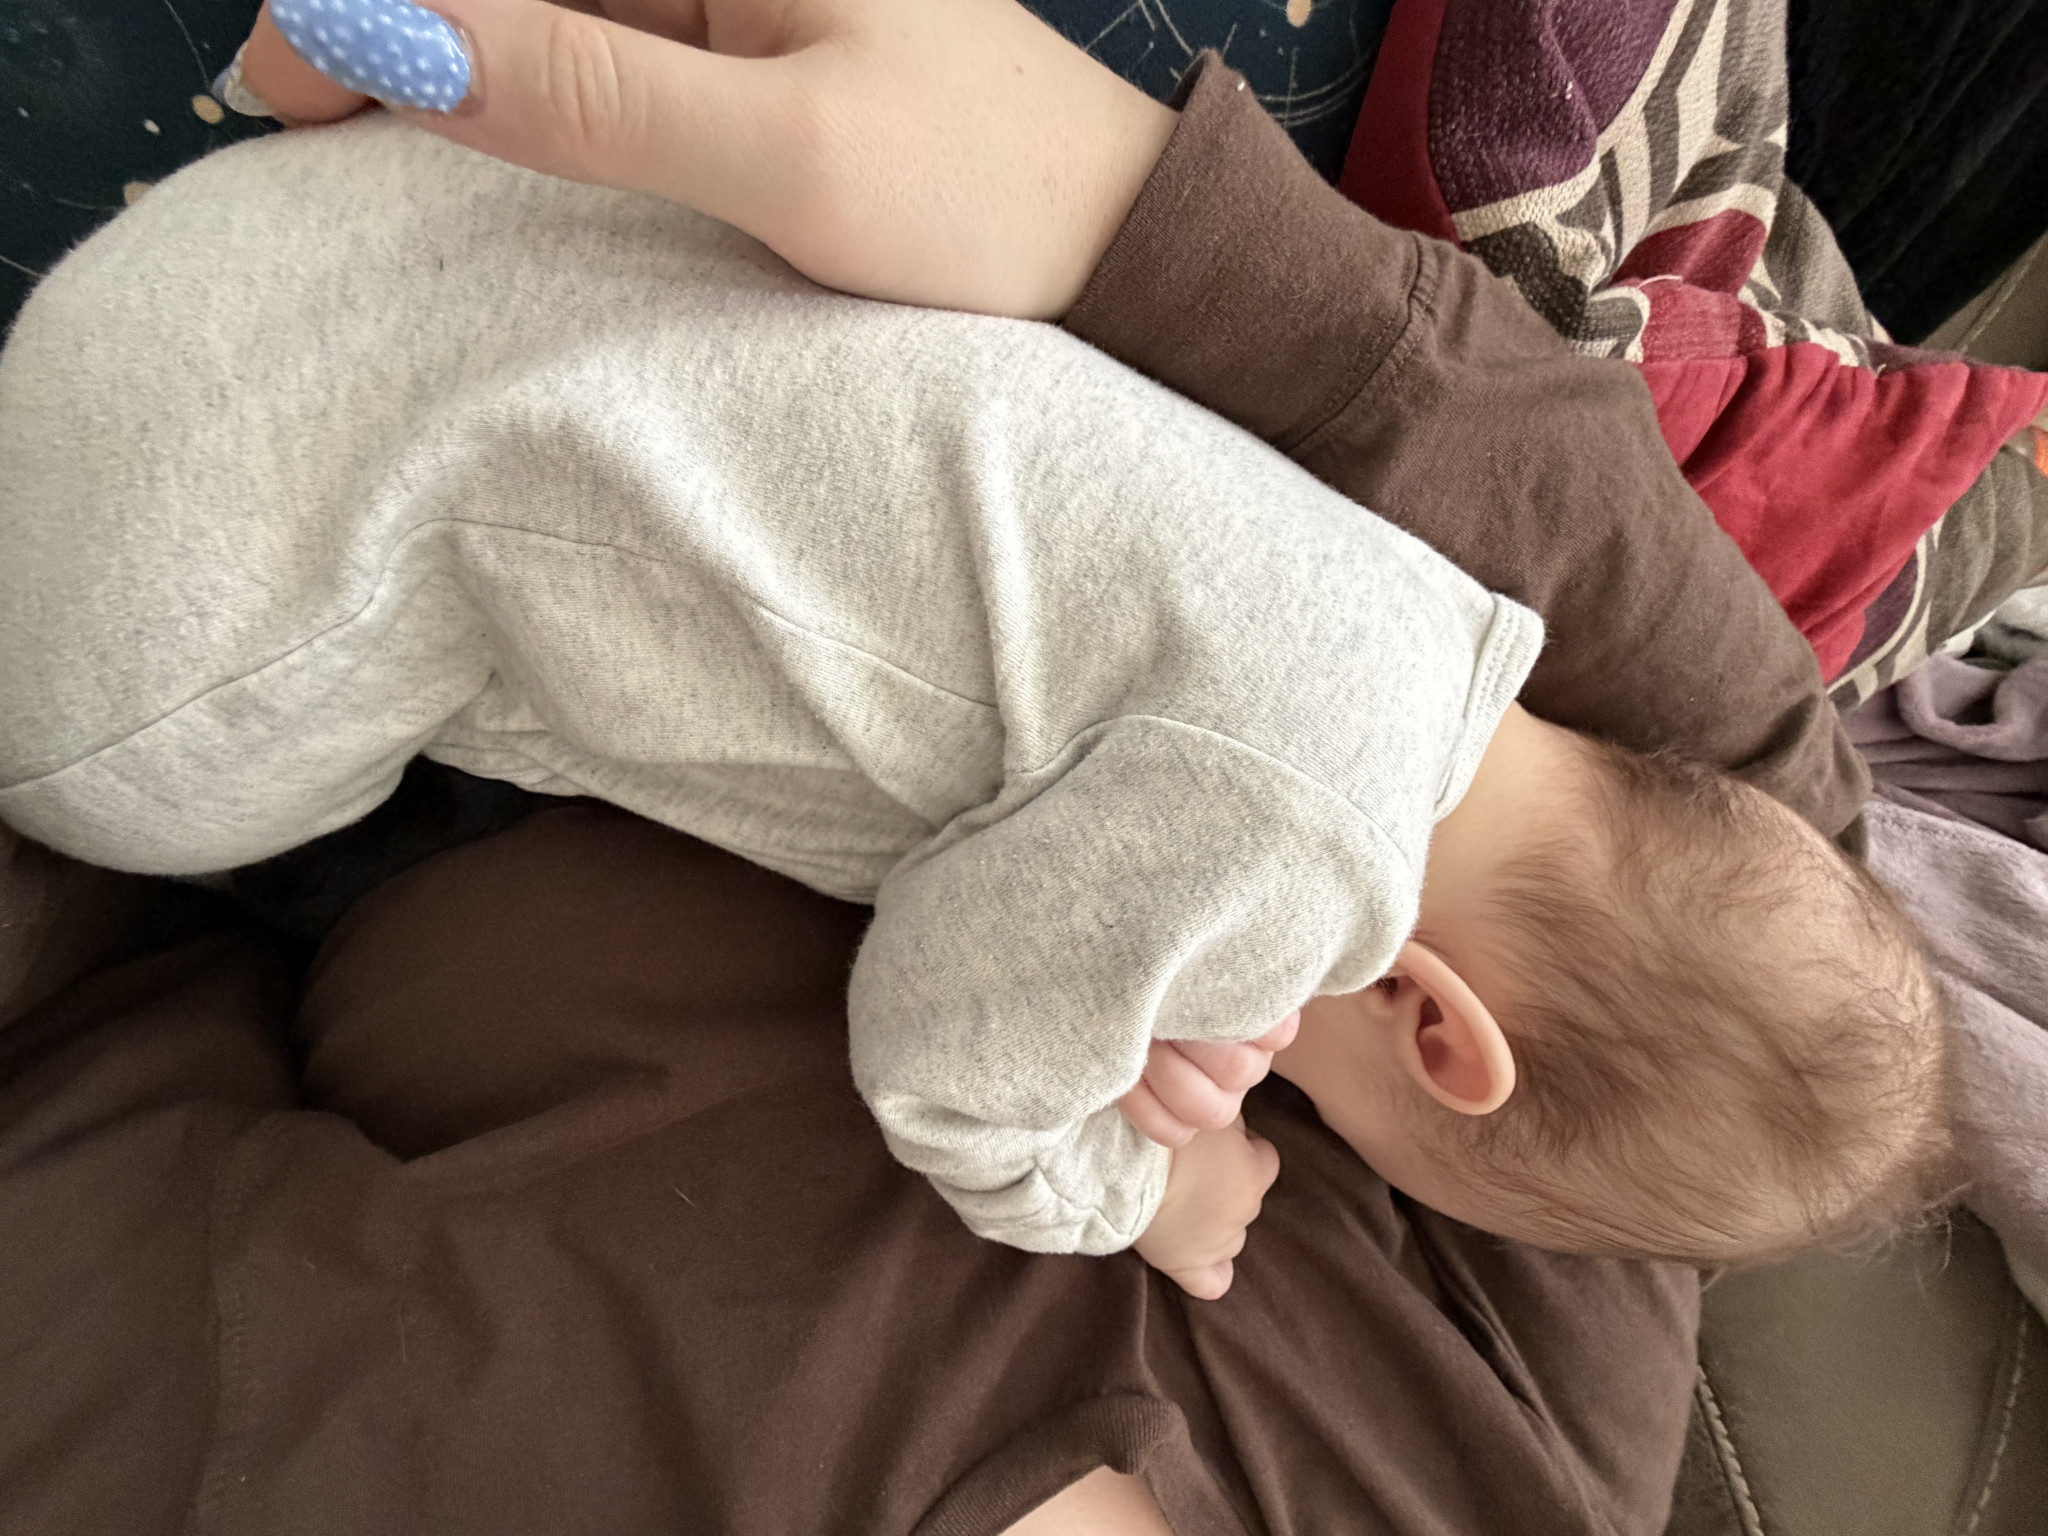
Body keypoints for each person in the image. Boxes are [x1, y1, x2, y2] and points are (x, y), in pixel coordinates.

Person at [0, 80, 1949, 1305]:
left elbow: (1097, 775)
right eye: (1388, 1153)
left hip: (378, 252)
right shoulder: (1295, 846)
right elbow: (942, 1053)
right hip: (217, 534)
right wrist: (1130, 1183)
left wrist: (1152, 980)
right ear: (1440, 1036)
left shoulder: (1436, 623)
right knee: (128, 800)